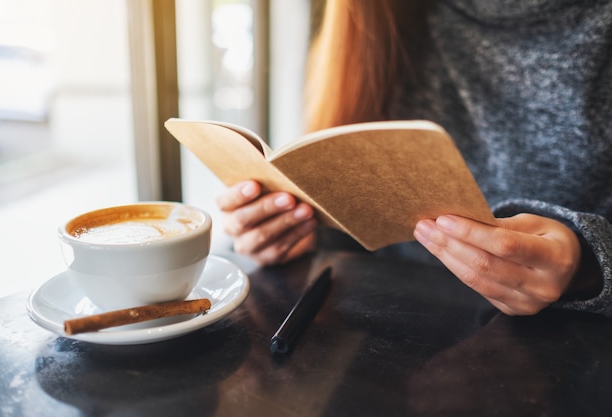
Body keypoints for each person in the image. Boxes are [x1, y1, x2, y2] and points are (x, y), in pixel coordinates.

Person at [216, 0, 612, 318]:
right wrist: (288, 230)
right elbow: (357, 220)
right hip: (376, 335)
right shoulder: (363, 14)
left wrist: (589, 267)